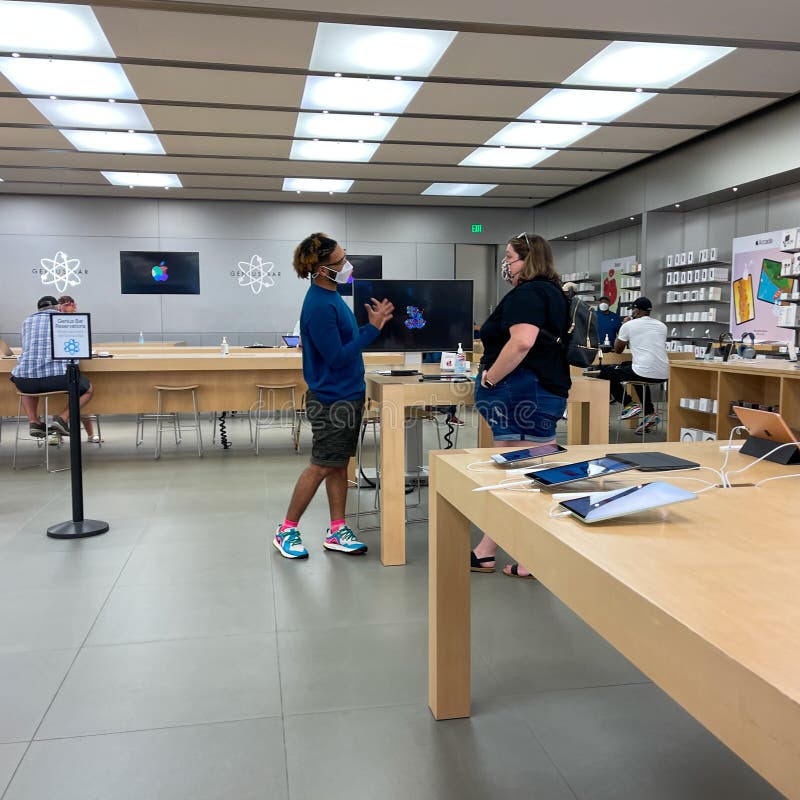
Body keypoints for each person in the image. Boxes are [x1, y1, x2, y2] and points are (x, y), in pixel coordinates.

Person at [274, 233, 394, 559]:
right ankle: (286, 529)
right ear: (321, 269)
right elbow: (338, 357)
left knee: (339, 465)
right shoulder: (318, 306)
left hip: (347, 395)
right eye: (340, 261)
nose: (347, 265)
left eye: (345, 257)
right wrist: (372, 329)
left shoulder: (333, 298)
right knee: (321, 465)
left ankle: (337, 528)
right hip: (332, 400)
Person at [471, 232, 571, 579]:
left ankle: (507, 554)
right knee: (529, 476)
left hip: (520, 392)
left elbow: (522, 342)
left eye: (510, 256)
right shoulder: (555, 294)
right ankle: (496, 551)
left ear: (527, 260)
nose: (506, 263)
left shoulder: (526, 294)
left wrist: (490, 379)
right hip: (544, 389)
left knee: (514, 477)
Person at [10, 295, 95, 439]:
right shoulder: (64, 319)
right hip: (58, 379)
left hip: (25, 381)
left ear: (38, 309)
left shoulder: (27, 321)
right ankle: (62, 419)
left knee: (26, 383)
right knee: (88, 389)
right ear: (57, 307)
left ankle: (34, 422)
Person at [593, 296, 669, 434]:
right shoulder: (662, 326)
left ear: (638, 311)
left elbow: (618, 349)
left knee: (604, 372)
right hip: (663, 372)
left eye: (633, 310)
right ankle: (649, 413)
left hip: (643, 371)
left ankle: (629, 404)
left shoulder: (629, 325)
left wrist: (624, 325)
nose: (632, 313)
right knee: (630, 368)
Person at [57, 295, 100, 442]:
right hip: (60, 369)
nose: (72, 308)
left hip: (74, 366)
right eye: (68, 305)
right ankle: (56, 435)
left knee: (79, 397)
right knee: (58, 400)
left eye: (73, 305)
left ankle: (90, 434)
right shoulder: (56, 321)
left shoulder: (78, 320)